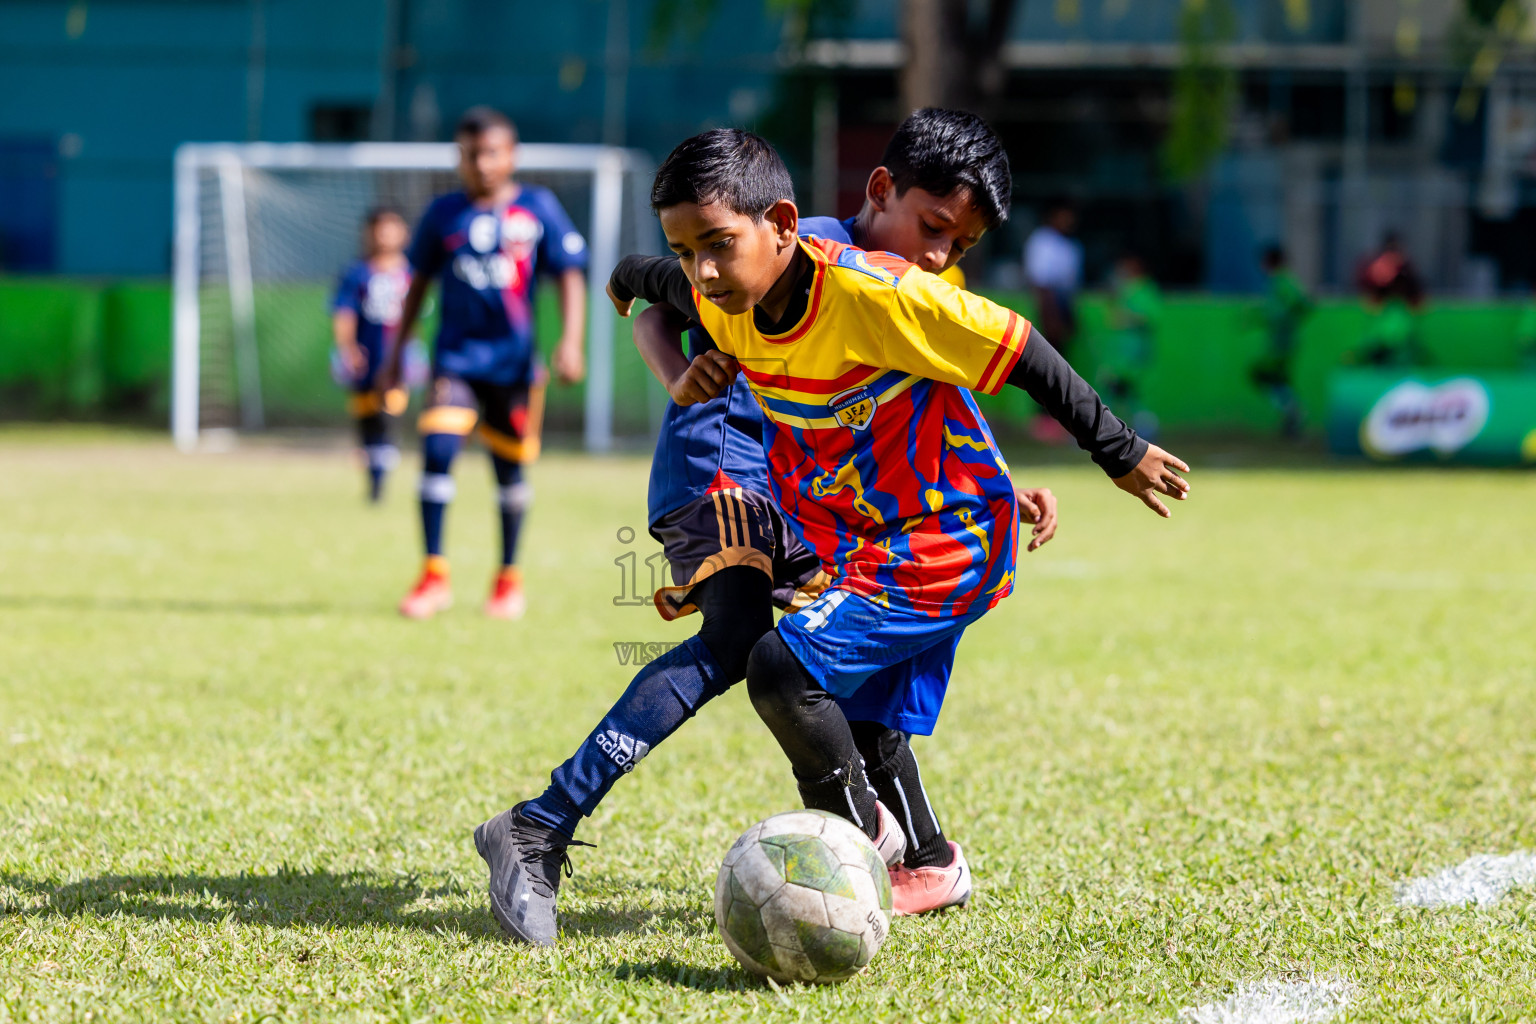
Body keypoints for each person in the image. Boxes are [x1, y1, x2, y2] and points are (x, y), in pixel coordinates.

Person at [473, 110, 1060, 946]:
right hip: (722, 457)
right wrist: (682, 376)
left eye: (956, 245)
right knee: (738, 641)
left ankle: (919, 857)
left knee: (838, 649)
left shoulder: (886, 285)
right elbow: (652, 300)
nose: (938, 255)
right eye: (932, 228)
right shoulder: (790, 245)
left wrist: (994, 482)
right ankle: (538, 826)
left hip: (808, 485)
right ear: (882, 191)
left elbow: (931, 391)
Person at [383, 107, 588, 621]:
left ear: (511, 155)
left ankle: (507, 581)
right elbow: (417, 286)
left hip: (514, 368)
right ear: (459, 157)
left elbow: (569, 275)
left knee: (509, 474)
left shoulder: (537, 208)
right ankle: (433, 576)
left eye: (491, 152)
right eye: (470, 154)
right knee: (437, 450)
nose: (480, 163)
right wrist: (395, 353)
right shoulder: (442, 214)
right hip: (455, 361)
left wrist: (571, 341)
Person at [330, 207, 415, 502]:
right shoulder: (356, 273)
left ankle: (382, 479)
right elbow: (344, 313)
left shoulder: (412, 273)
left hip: (399, 360)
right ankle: (374, 482)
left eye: (391, 228)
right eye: (379, 228)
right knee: (366, 419)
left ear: (403, 233)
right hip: (365, 359)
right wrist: (347, 347)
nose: (384, 235)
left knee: (387, 416)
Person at [1249, 244, 1312, 438]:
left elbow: (1302, 304)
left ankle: (1292, 411)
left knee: (1262, 375)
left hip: (1281, 344)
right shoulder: (1279, 282)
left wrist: (1284, 321)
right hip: (1279, 343)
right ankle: (1291, 414)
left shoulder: (1283, 282)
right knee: (1278, 380)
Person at [1101, 250, 1162, 439]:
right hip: (1118, 357)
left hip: (1135, 356)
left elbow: (1151, 318)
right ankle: (1102, 433)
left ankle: (1146, 434)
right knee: (1111, 392)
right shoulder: (1121, 292)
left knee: (1134, 395)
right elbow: (1112, 320)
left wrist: (1127, 318)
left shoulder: (1146, 290)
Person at [1353, 231, 1425, 367]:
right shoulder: (1379, 265)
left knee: (1399, 346)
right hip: (1383, 315)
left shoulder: (1403, 266)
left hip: (1398, 314)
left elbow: (1415, 290)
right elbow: (1368, 286)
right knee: (1379, 344)